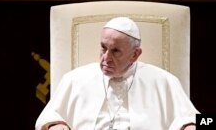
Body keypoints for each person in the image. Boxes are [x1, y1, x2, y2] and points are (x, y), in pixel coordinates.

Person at [35, 17, 199, 130]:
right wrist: (55, 124)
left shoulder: (164, 81)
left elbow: (203, 121)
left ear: (135, 54)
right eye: (103, 47)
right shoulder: (74, 79)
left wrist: (190, 126)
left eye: (115, 51)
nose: (106, 58)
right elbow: (46, 116)